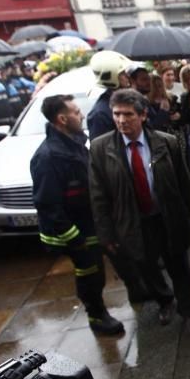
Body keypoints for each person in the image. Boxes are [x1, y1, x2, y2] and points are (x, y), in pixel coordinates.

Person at [89, 89, 190, 336]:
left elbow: (184, 183)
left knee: (179, 267)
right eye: (116, 114)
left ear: (143, 115)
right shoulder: (100, 148)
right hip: (132, 223)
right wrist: (106, 234)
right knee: (147, 266)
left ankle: (189, 311)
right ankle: (164, 301)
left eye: (128, 114)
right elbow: (98, 196)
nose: (121, 120)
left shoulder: (166, 142)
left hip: (167, 218)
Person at [31, 94, 124, 336]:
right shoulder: (48, 156)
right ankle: (97, 316)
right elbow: (48, 204)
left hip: (87, 224)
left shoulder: (71, 144)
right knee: (89, 272)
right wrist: (75, 239)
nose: (81, 115)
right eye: (75, 112)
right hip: (74, 231)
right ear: (62, 119)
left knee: (98, 268)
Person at [87, 50, 133, 140]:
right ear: (113, 77)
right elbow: (100, 149)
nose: (127, 77)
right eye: (122, 73)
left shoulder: (125, 101)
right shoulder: (100, 114)